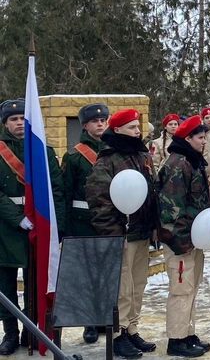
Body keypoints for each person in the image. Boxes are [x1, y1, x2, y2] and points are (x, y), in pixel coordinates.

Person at [86, 108, 158, 359]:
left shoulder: (141, 154)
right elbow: (99, 201)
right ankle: (118, 334)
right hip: (123, 236)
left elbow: (151, 192)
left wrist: (154, 226)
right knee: (122, 288)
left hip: (142, 231)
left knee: (138, 285)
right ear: (117, 130)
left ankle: (132, 328)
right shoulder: (107, 159)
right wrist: (114, 235)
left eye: (138, 127)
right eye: (132, 128)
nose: (138, 132)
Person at [0, 99, 65, 355]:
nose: (19, 123)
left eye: (22, 119)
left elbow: (56, 191)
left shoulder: (43, 151)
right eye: (13, 119)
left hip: (40, 225)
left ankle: (32, 331)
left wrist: (55, 228)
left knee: (35, 284)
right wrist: (17, 217)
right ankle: (10, 333)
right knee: (5, 285)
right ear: (5, 123)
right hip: (6, 227)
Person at [157, 115, 210, 357]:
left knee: (191, 288)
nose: (204, 142)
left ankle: (187, 333)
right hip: (180, 241)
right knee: (181, 290)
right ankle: (176, 339)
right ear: (187, 138)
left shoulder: (191, 161)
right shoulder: (178, 165)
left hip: (192, 238)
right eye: (200, 138)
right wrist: (181, 243)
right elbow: (171, 208)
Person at [61, 102, 109, 344]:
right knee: (87, 274)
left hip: (109, 222)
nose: (100, 124)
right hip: (83, 222)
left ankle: (103, 319)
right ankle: (89, 322)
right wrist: (65, 229)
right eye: (95, 121)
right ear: (85, 125)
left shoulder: (113, 150)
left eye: (103, 120)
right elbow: (65, 193)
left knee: (106, 273)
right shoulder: (73, 156)